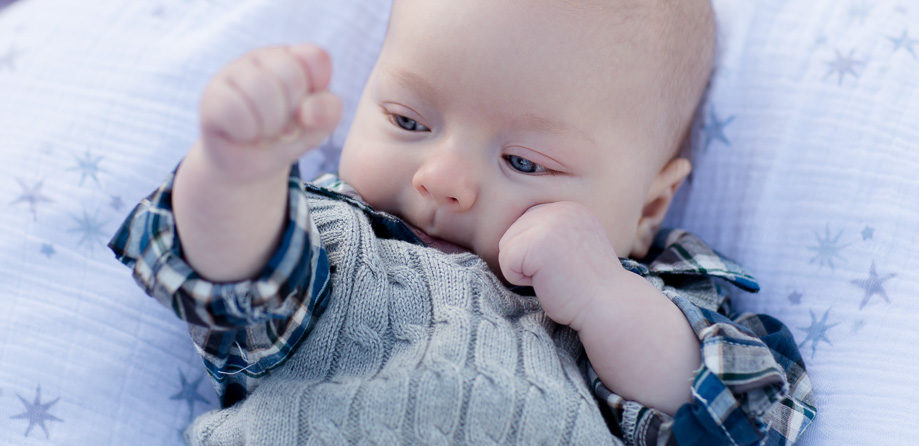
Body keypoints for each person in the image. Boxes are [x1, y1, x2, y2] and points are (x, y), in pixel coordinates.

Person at [109, 0, 816, 444]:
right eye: (407, 121)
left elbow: (747, 422)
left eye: (524, 162)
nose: (442, 179)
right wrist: (234, 174)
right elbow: (226, 279)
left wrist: (608, 298)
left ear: (648, 209)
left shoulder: (648, 308)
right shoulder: (336, 243)